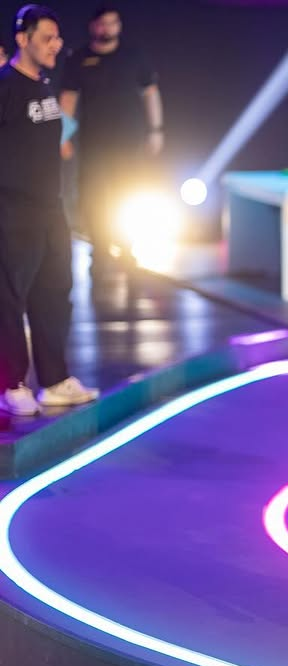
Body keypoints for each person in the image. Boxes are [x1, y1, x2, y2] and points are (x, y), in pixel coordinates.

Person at [0, 4, 99, 416]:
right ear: (22, 40)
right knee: (9, 298)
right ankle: (11, 384)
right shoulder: (5, 87)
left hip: (50, 208)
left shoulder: (43, 84)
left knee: (55, 294)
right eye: (46, 38)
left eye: (58, 37)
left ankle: (55, 380)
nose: (56, 45)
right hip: (12, 210)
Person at [59, 5, 163, 279]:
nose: (107, 28)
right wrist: (63, 136)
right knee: (92, 197)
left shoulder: (133, 55)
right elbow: (68, 98)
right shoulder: (79, 58)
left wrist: (156, 130)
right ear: (93, 26)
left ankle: (127, 249)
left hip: (128, 141)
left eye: (113, 22)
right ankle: (100, 250)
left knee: (127, 194)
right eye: (102, 23)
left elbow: (150, 92)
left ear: (119, 25)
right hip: (93, 142)